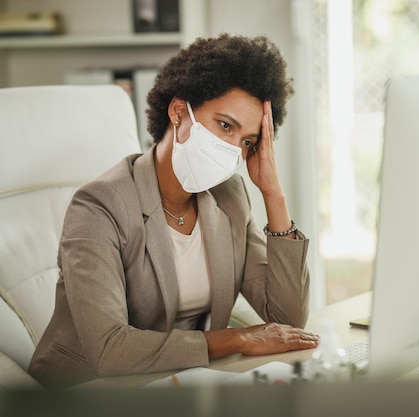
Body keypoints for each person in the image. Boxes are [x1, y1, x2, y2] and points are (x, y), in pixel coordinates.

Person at [28, 34, 319, 388]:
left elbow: (286, 319)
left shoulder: (231, 197)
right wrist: (238, 339)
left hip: (179, 381)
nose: (232, 150)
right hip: (86, 390)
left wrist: (273, 193)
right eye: (224, 126)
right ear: (179, 111)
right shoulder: (99, 205)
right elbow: (109, 349)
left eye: (247, 142)